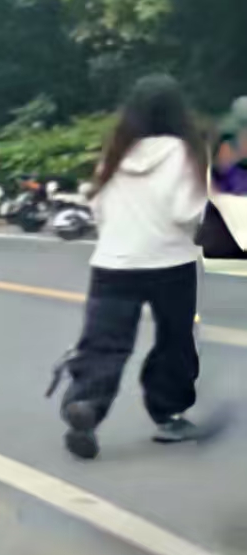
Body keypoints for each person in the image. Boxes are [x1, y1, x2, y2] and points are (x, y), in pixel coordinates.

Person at [55, 75, 209, 460]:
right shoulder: (184, 152)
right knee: (175, 340)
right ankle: (169, 415)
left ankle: (87, 404)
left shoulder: (116, 150)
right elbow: (186, 211)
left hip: (113, 263)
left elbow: (98, 206)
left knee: (103, 342)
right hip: (170, 262)